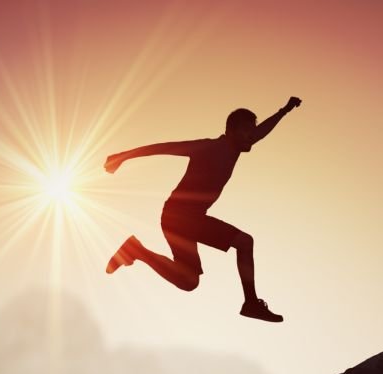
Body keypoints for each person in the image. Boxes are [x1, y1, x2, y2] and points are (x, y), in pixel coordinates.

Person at [104, 97, 302, 323]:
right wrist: (123, 156)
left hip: (186, 218)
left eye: (252, 132)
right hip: (179, 216)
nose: (252, 137)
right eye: (247, 131)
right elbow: (165, 148)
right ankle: (250, 302)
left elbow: (262, 131)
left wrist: (284, 111)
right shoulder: (208, 147)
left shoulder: (237, 147)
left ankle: (136, 251)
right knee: (244, 242)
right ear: (231, 130)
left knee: (189, 282)